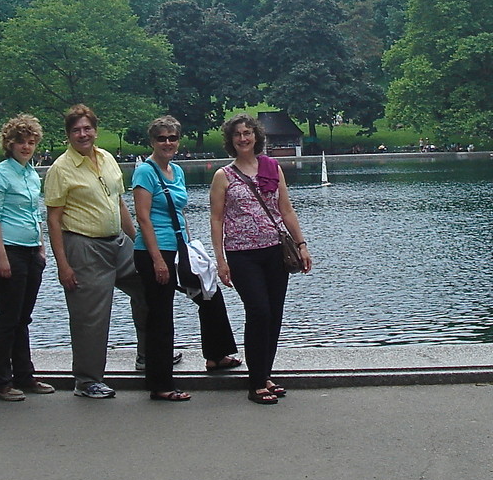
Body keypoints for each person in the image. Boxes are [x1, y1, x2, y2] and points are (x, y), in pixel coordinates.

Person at [45, 104, 170, 399]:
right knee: (91, 315)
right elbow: (53, 219)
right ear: (68, 135)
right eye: (76, 130)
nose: (83, 134)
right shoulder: (60, 169)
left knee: (149, 288)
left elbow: (119, 203)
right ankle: (87, 380)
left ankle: (147, 355)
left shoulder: (108, 159)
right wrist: (63, 265)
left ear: (95, 131)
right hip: (84, 245)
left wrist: (137, 241)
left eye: (87, 128)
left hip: (118, 242)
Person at [132, 115, 240, 402]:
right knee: (161, 316)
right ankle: (160, 383)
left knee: (209, 295)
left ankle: (216, 356)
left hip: (180, 248)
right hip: (154, 251)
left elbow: (178, 212)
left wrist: (192, 246)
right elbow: (143, 218)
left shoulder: (176, 171)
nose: (167, 143)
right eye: (161, 138)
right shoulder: (145, 172)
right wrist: (157, 260)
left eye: (172, 138)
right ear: (152, 142)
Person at [210, 113, 312, 405]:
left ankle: (265, 373)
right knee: (259, 312)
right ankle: (255, 383)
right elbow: (216, 220)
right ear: (231, 141)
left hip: (275, 251)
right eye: (237, 134)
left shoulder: (272, 167)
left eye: (248, 133)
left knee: (274, 315)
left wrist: (302, 244)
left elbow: (287, 210)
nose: (243, 138)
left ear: (256, 136)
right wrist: (221, 260)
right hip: (242, 255)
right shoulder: (223, 176)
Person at [0, 114, 55, 401]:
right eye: (21, 142)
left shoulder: (30, 173)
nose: (26, 147)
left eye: (31, 142)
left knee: (23, 317)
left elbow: (34, 213)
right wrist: (0, 256)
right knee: (8, 317)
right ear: (9, 144)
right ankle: (1, 380)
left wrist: (41, 246)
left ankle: (24, 375)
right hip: (9, 250)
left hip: (30, 250)